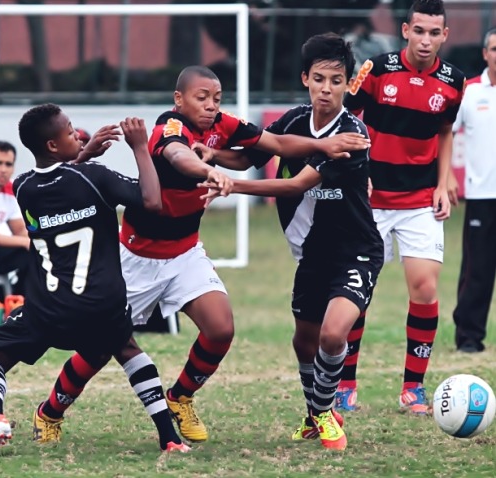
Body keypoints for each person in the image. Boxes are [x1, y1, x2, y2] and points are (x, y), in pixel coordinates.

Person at [50, 64, 371, 444]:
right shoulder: (168, 127)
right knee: (103, 344)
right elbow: (177, 157)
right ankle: (50, 412)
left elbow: (277, 144)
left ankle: (179, 397)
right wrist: (207, 167)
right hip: (138, 255)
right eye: (201, 98)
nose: (210, 106)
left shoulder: (223, 123)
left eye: (216, 99)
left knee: (221, 329)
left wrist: (321, 145)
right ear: (178, 99)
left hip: (185, 253)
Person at [197, 32, 384, 450]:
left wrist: (233, 188)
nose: (326, 89)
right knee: (303, 341)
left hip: (356, 250)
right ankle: (315, 412)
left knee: (333, 336)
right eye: (319, 78)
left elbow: (295, 185)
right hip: (311, 255)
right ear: (305, 78)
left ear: (349, 85)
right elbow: (250, 156)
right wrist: (212, 156)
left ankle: (323, 414)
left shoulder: (352, 136)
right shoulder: (295, 121)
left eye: (336, 81)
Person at [0, 104, 190, 453]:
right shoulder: (95, 176)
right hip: (101, 307)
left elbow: (60, 182)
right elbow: (151, 200)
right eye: (71, 132)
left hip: (48, 310)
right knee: (129, 351)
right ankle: (169, 437)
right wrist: (140, 147)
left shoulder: (24, 188)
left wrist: (82, 154)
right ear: (54, 145)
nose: (78, 135)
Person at [343, 0, 465, 414]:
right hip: (370, 200)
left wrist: (444, 182)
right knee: (356, 292)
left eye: (435, 33)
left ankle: (413, 388)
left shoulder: (454, 82)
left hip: (418, 200)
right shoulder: (377, 69)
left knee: (426, 289)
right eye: (420, 31)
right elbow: (349, 119)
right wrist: (359, 172)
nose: (426, 40)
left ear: (444, 35)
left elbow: (445, 131)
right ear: (406, 30)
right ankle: (345, 385)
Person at [451, 27, 496, 353]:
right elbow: (444, 134)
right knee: (477, 270)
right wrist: (447, 177)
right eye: (495, 49)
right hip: (482, 196)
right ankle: (468, 337)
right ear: (485, 53)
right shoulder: (469, 92)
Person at [0, 141, 30, 300]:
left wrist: (39, 243)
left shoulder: (10, 190)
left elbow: (20, 231)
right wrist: (24, 242)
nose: (3, 169)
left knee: (33, 254)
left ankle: (19, 305)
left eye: (8, 164)